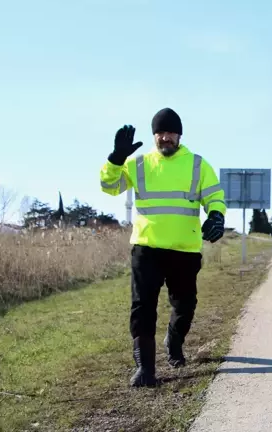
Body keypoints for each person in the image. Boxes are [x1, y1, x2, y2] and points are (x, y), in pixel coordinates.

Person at [99, 108, 226, 387]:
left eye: (170, 133)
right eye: (160, 133)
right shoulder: (139, 163)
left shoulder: (197, 164)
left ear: (179, 135)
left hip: (184, 249)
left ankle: (174, 340)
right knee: (142, 307)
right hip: (147, 248)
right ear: (154, 136)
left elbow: (215, 196)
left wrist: (216, 215)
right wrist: (116, 158)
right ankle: (145, 369)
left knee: (185, 304)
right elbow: (108, 186)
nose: (165, 138)